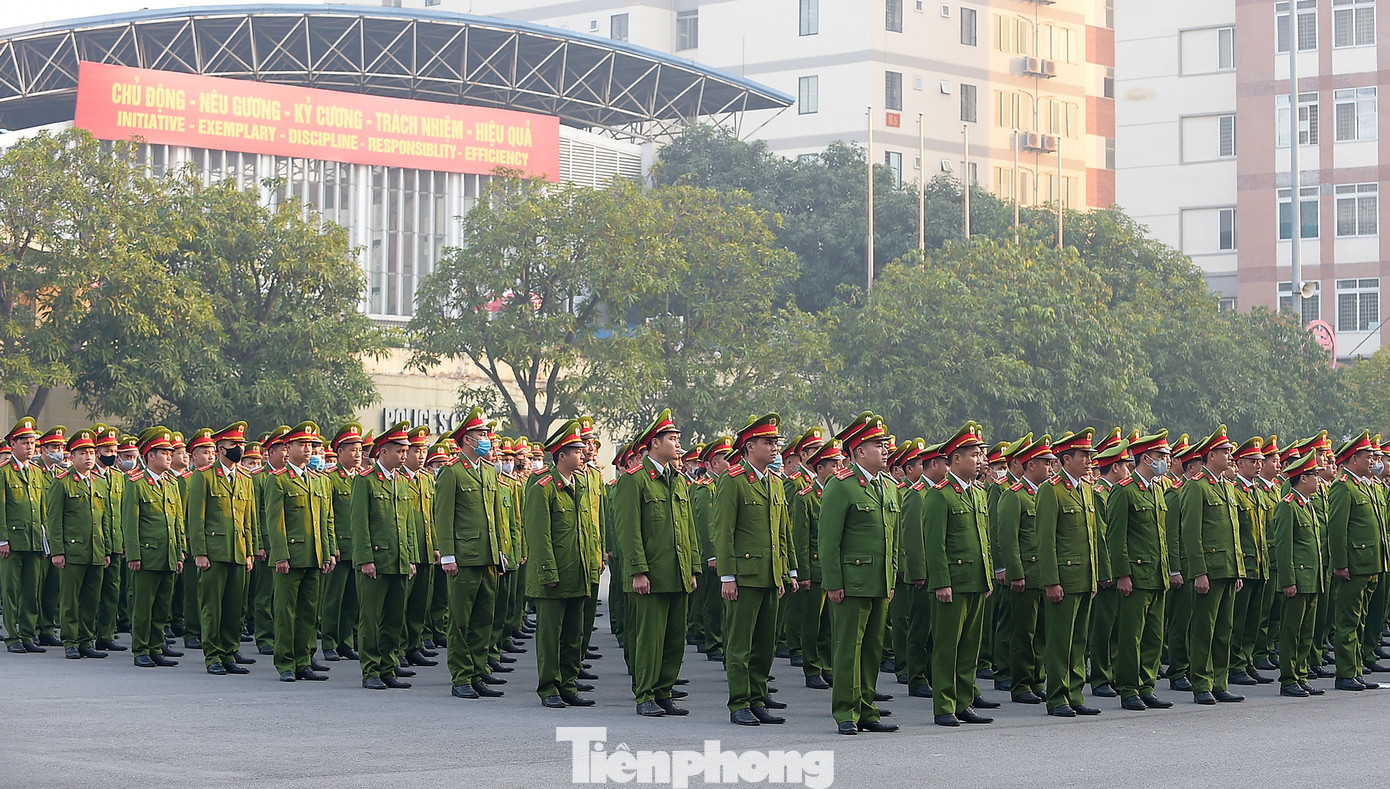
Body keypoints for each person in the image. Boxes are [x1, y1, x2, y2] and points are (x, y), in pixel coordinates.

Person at [613, 408, 698, 717]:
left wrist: (692, 568)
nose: (678, 443)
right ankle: (645, 694)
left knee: (675, 638)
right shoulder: (635, 480)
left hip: (677, 572)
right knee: (649, 638)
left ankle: (664, 691)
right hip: (650, 574)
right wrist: (637, 570)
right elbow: (628, 529)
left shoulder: (677, 479)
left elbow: (688, 529)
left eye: (677, 438)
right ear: (654, 443)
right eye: (672, 438)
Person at [821, 413, 900, 735]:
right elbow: (828, 541)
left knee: (872, 649)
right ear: (858, 451)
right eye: (877, 445)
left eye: (885, 444)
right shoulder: (841, 486)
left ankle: (867, 708)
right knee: (847, 648)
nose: (884, 450)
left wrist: (891, 578)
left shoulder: (889, 487)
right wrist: (833, 583)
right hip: (851, 583)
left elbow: (891, 540)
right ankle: (845, 711)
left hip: (880, 582)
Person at [715, 413, 795, 726]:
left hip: (770, 574)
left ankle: (757, 697)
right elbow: (724, 531)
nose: (775, 447)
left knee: (765, 643)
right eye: (768, 442)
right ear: (749, 447)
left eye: (776, 441)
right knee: (740, 645)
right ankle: (739, 703)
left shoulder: (775, 482)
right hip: (745, 576)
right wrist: (728, 576)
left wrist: (786, 571)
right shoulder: (733, 480)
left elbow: (781, 532)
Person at [922, 422, 994, 727]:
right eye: (973, 454)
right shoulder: (941, 495)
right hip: (952, 583)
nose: (978, 460)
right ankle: (944, 706)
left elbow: (983, 539)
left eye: (979, 454)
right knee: (947, 647)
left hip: (977, 581)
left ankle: (964, 701)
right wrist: (941, 582)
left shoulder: (978, 494)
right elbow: (934, 543)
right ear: (955, 459)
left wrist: (988, 577)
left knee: (969, 647)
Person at [433, 408, 507, 699]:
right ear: (466, 439)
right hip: (464, 556)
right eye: (480, 434)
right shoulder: (451, 472)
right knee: (460, 620)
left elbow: (495, 516)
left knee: (483, 619)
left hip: (488, 556)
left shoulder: (489, 471)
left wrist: (500, 551)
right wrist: (448, 555)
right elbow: (443, 515)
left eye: (486, 433)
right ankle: (461, 676)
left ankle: (478, 672)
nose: (485, 438)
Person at [526, 419, 599, 708]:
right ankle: (549, 688)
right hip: (554, 574)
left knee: (573, 634)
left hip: (578, 571)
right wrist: (547, 571)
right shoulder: (543, 486)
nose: (584, 455)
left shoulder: (581, 484)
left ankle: (568, 684)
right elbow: (538, 533)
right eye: (578, 451)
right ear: (562, 456)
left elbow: (587, 529)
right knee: (550, 636)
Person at [1036, 429, 1105, 718]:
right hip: (1063, 579)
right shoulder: (1051, 490)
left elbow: (1094, 536)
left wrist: (1100, 573)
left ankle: (1075, 693)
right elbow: (1046, 539)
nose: (1089, 461)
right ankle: (1057, 696)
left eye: (1090, 455)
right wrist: (1051, 580)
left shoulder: (1086, 489)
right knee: (1060, 641)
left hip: (1085, 577)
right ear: (1067, 459)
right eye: (1084, 456)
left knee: (1079, 640)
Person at [1106, 430, 1176, 711]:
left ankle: (1146, 685)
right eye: (1161, 456)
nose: (1166, 461)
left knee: (1154, 635)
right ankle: (1128, 687)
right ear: (1146, 458)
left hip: (1157, 574)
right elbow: (1116, 537)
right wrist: (1122, 574)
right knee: (1131, 635)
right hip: (1136, 575)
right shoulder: (1124, 490)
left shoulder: (1158, 489)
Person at [1180, 425, 1246, 705]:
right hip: (1210, 570)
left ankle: (1220, 681)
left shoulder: (1227, 487)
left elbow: (1233, 531)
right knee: (1204, 629)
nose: (1230, 456)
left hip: (1229, 568)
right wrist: (1199, 572)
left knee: (1224, 629)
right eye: (1225, 452)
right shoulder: (1196, 487)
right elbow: (1191, 533)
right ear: (1211, 455)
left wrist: (1239, 569)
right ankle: (1202, 683)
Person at [265, 421, 336, 682]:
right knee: (286, 611)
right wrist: (281, 554)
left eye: (311, 445)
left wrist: (327, 552)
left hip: (315, 555)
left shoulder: (319, 480)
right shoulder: (278, 480)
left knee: (309, 611)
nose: (308, 450)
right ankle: (285, 662)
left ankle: (304, 659)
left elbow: (326, 520)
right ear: (288, 448)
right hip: (291, 557)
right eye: (302, 445)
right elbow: (275, 521)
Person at [187, 422, 258, 676]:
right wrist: (200, 552)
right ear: (220, 449)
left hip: (238, 551)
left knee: (234, 607)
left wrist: (250, 550)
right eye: (233, 445)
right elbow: (196, 518)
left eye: (241, 445)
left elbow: (248, 520)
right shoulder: (204, 476)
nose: (239, 449)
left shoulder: (245, 479)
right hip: (214, 552)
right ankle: (213, 655)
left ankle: (229, 652)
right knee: (212, 607)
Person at [351, 421, 418, 690]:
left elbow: (408, 523)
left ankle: (388, 666)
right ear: (383, 451)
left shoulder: (401, 482)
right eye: (399, 450)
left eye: (405, 451)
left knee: (394, 618)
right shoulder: (365, 480)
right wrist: (366, 558)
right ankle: (370, 670)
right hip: (376, 562)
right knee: (371, 618)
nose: (404, 455)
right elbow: (360, 523)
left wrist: (411, 557)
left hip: (399, 560)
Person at [997, 435, 1057, 705]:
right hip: (1026, 575)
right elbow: (1008, 539)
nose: (1051, 467)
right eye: (1046, 462)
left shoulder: (1048, 493)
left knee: (1042, 632)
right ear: (1031, 465)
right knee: (1024, 632)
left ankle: (1037, 680)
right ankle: (1020, 684)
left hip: (1044, 575)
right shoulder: (1014, 495)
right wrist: (1016, 573)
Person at [1327, 430, 1387, 691]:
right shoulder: (1343, 487)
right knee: (1348, 620)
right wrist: (1340, 564)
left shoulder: (1366, 485)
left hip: (1371, 563)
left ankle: (1356, 668)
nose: (1374, 461)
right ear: (1353, 459)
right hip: (1353, 565)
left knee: (1360, 618)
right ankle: (1345, 673)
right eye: (1369, 457)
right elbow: (1337, 529)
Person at [123, 427, 185, 668]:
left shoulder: (171, 483)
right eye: (164, 452)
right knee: (143, 605)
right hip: (147, 555)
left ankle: (156, 646)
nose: (170, 456)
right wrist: (134, 554)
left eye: (171, 452)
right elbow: (130, 522)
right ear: (150, 455)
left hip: (168, 554)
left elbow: (177, 520)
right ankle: (141, 649)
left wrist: (180, 551)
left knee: (162, 606)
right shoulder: (136, 483)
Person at [46, 429, 110, 660]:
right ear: (71, 457)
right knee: (70, 600)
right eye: (83, 452)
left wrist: (107, 549)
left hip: (96, 550)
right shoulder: (62, 483)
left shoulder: (99, 483)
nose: (89, 457)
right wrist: (58, 551)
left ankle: (85, 640)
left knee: (91, 599)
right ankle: (70, 641)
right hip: (72, 551)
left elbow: (105, 518)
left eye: (92, 452)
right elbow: (53, 520)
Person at [1270, 449, 1327, 697]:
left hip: (1312, 578)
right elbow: (1283, 548)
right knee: (1291, 631)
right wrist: (1288, 581)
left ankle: (1301, 674)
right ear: (1302, 478)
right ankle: (1289, 678)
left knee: (1306, 632)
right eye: (1313, 474)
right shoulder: (1288, 506)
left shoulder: (1308, 505)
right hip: (1298, 580)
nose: (1318, 477)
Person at [792, 438, 844, 691]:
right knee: (812, 623)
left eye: (841, 463)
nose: (839, 468)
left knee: (829, 626)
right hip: (813, 571)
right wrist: (803, 573)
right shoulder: (806, 498)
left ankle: (828, 666)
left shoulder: (841, 493)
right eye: (834, 464)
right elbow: (800, 540)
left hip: (833, 571)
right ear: (819, 468)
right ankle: (811, 668)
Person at [1, 417, 48, 654]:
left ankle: (28, 634)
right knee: (11, 591)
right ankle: (13, 636)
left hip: (33, 540)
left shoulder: (37, 472)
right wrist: (2, 539)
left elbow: (41, 510)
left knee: (32, 590)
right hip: (13, 541)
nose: (31, 446)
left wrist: (44, 542)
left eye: (33, 442)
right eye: (25, 442)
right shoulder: (4, 472)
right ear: (13, 443)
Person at [1228, 437, 1272, 687]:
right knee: (1239, 619)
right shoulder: (1234, 490)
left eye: (1260, 461)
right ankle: (1235, 665)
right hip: (1243, 563)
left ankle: (1246, 661)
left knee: (1253, 619)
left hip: (1259, 564)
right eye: (1253, 461)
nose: (1258, 465)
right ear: (1240, 463)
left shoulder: (1256, 492)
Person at [322, 423, 364, 662]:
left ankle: (345, 641)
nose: (357, 454)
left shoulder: (363, 478)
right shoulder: (331, 479)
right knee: (333, 598)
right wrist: (332, 545)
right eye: (351, 449)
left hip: (358, 549)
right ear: (339, 452)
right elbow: (327, 514)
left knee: (352, 600)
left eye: (359, 449)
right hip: (340, 546)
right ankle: (328, 641)